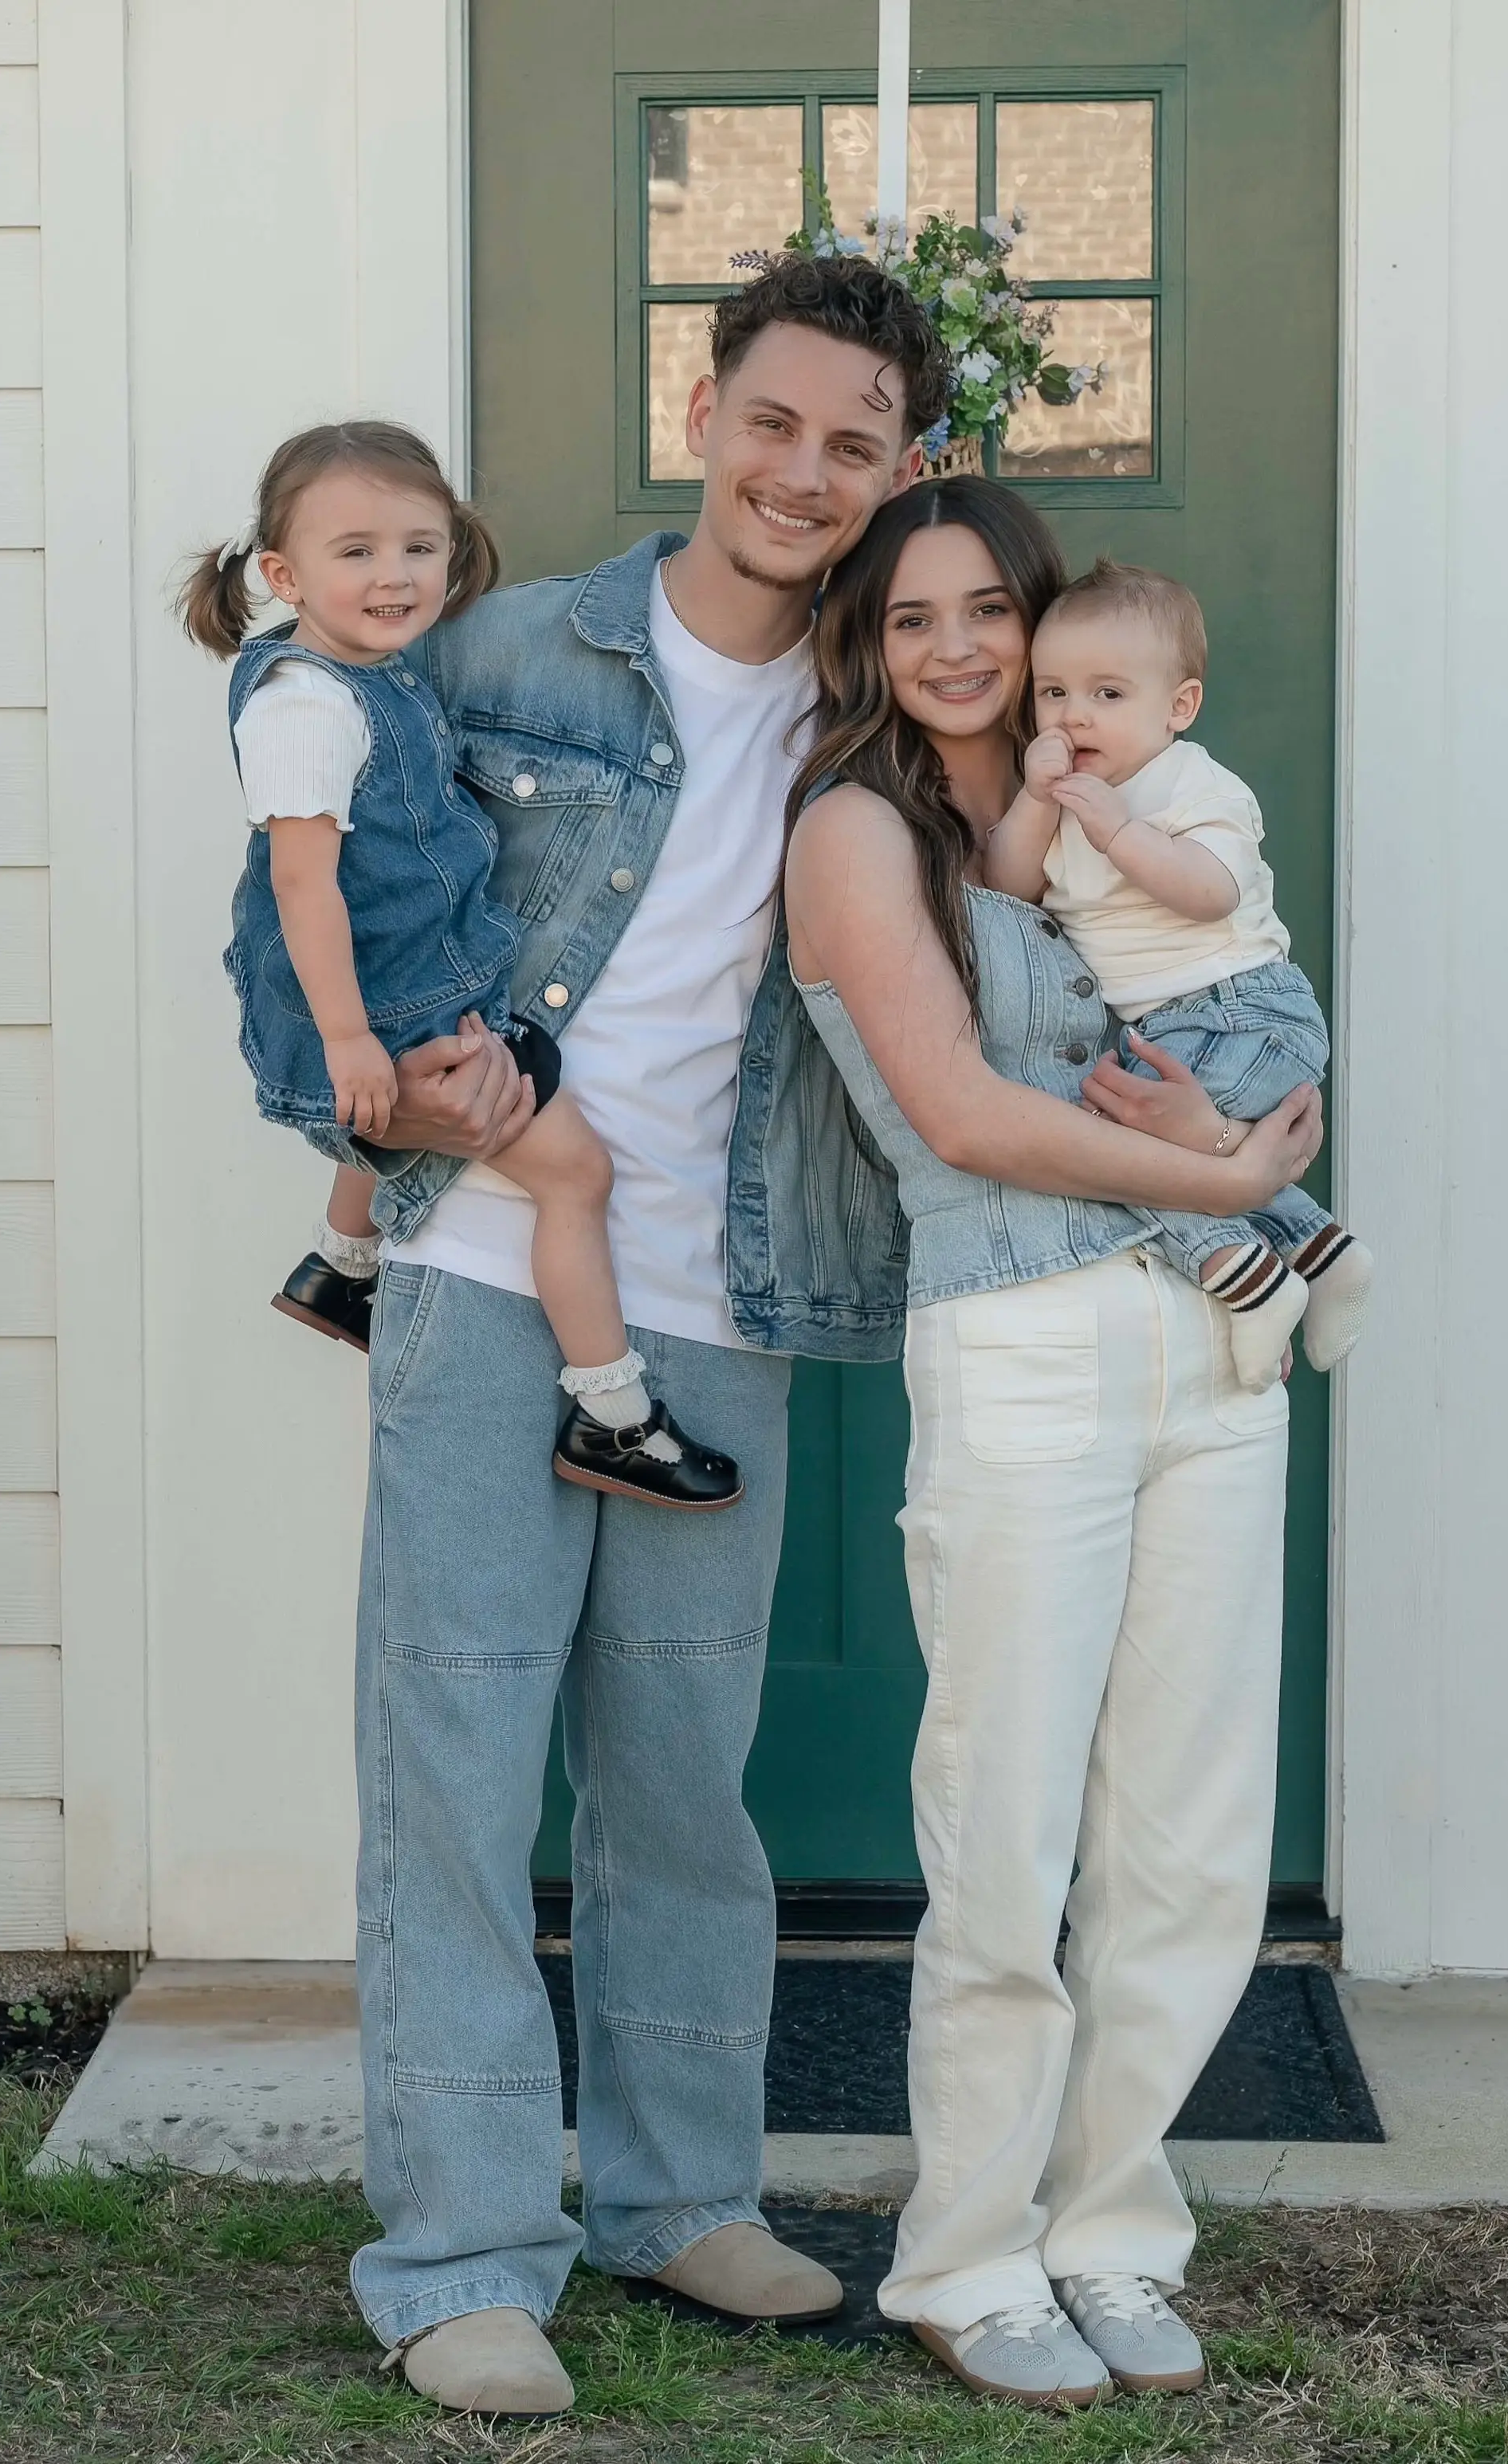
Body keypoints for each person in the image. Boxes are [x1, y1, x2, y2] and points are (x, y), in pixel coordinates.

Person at [300, 257, 1314, 2423]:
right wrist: (373, 1095)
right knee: (464, 1764)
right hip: (493, 1263)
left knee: (686, 1786)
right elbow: (297, 885)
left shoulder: (894, 726)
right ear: (705, 404)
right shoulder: (508, 648)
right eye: (776, 422)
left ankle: (675, 2196)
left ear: (902, 470)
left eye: (855, 442)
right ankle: (465, 2245)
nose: (804, 471)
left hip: (729, 1298)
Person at [783, 475, 1323, 2408]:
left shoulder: (1125, 810)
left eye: (981, 610)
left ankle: (1113, 2226)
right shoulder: (854, 833)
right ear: (864, 635)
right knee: (1000, 1829)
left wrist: (1238, 1133)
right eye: (907, 612)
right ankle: (965, 2249)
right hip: (1020, 1344)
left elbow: (1228, 1023)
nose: (950, 647)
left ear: (1036, 625)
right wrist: (1206, 1157)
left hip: (1204, 1342)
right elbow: (963, 1117)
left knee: (1185, 1833)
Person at [183, 421, 738, 1510]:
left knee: (475, 1111)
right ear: (285, 574)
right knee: (576, 1177)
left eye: (418, 547)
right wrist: (350, 1041)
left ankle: (342, 1271)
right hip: (375, 1004)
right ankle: (613, 1415)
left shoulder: (373, 672)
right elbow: (304, 886)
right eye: (357, 553)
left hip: (411, 975)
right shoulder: (306, 705)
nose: (394, 575)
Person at [984, 557, 1371, 1387]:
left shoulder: (1191, 783)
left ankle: (1248, 1277)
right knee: (1116, 1146)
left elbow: (1209, 892)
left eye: (1106, 695)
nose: (1074, 715)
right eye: (1052, 694)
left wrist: (1122, 833)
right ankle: (1320, 1250)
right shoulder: (1067, 795)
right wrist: (1033, 801)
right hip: (1170, 1028)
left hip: (1242, 1008)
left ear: (1177, 707)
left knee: (1117, 1154)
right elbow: (1007, 887)